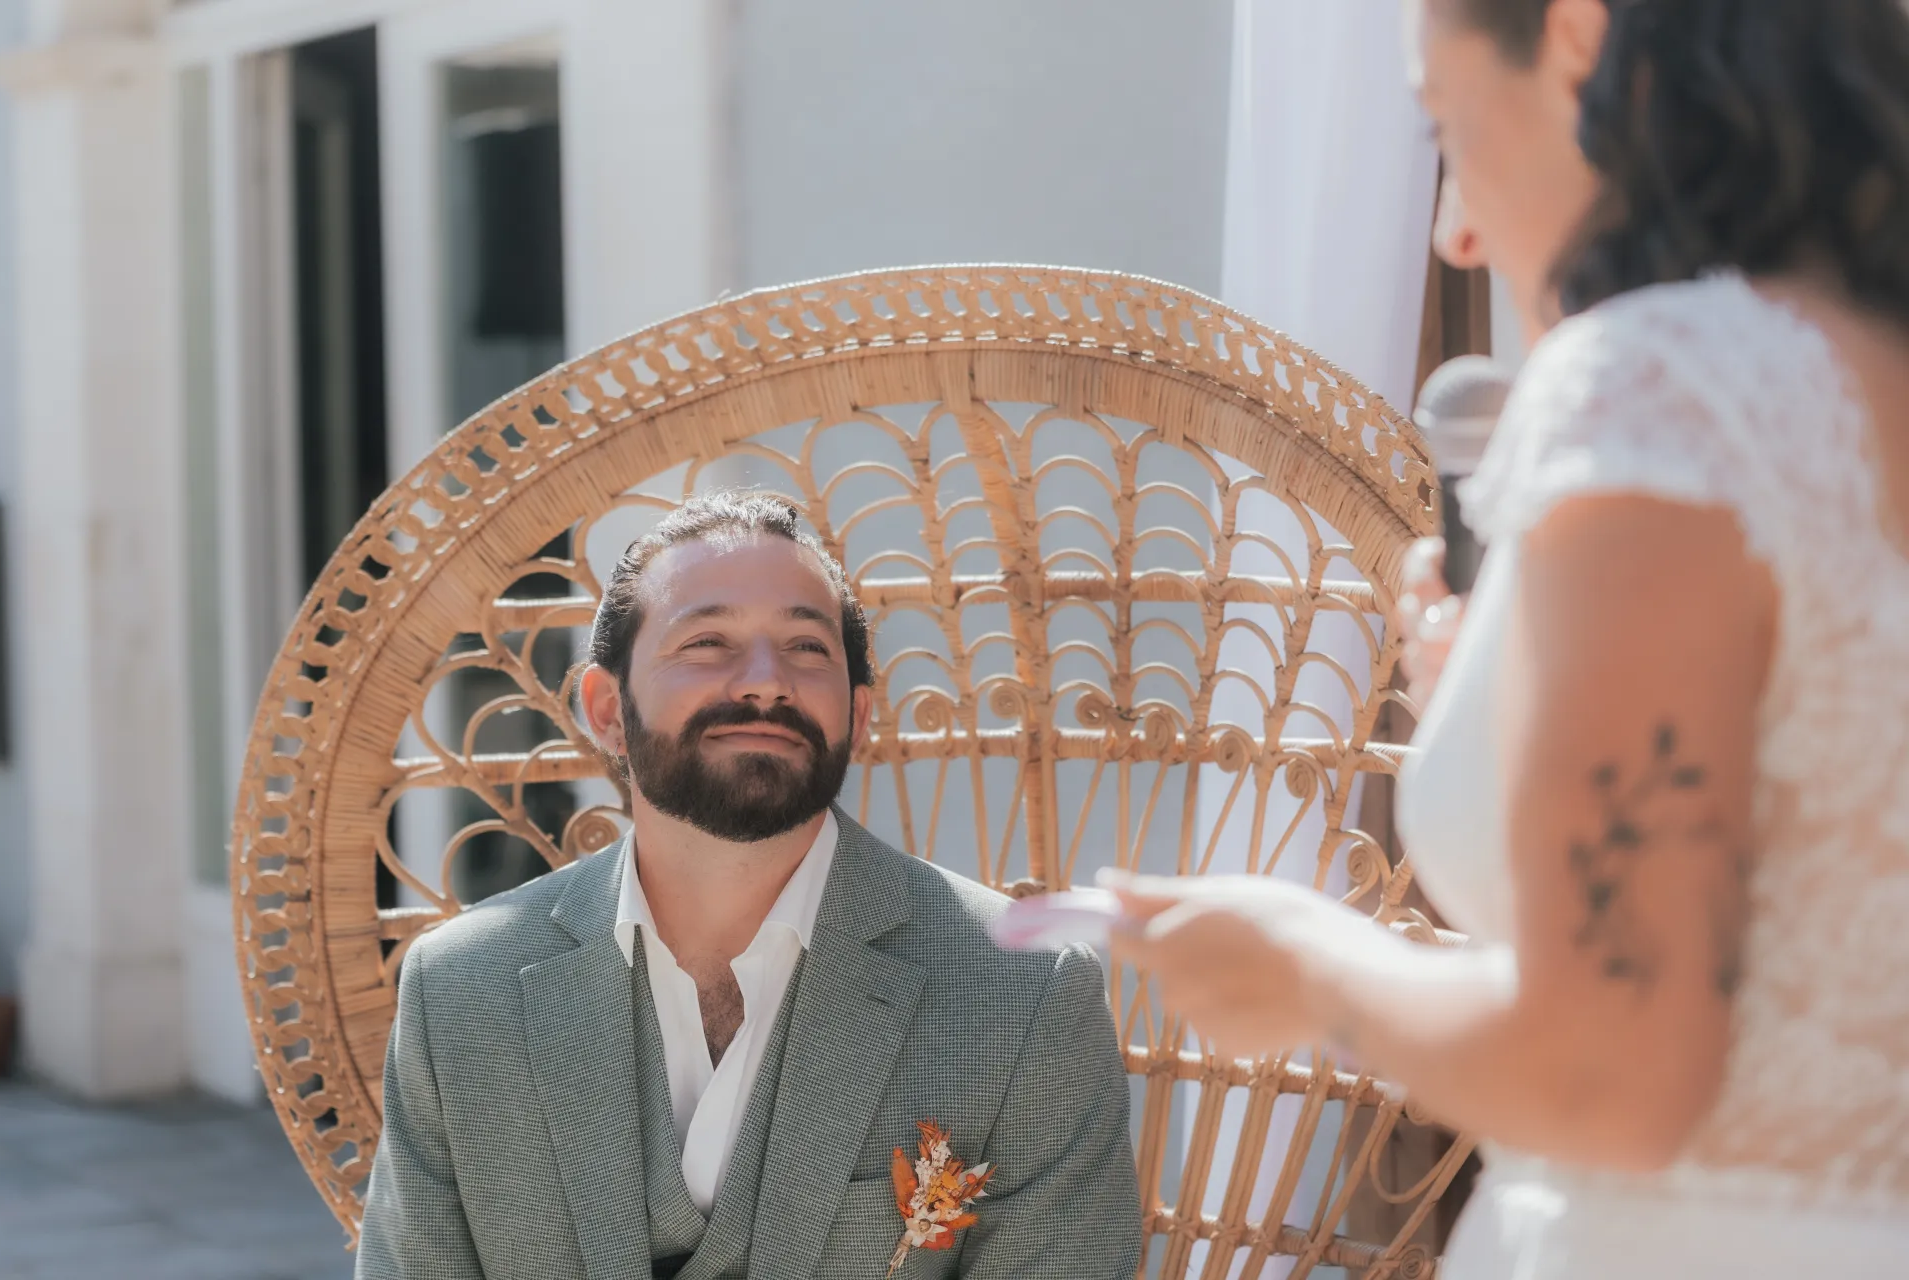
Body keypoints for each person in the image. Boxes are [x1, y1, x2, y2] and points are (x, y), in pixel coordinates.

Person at [1108, 1, 1909, 1276]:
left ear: (1581, 37)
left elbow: (1612, 1065)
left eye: (1443, 127)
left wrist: (1310, 963)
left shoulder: (1663, 384)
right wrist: (1524, 682)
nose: (1454, 228)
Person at [357, 492, 1141, 1280]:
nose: (766, 682)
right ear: (607, 710)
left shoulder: (1026, 999)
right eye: (707, 641)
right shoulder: (461, 993)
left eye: (806, 646)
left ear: (858, 715)